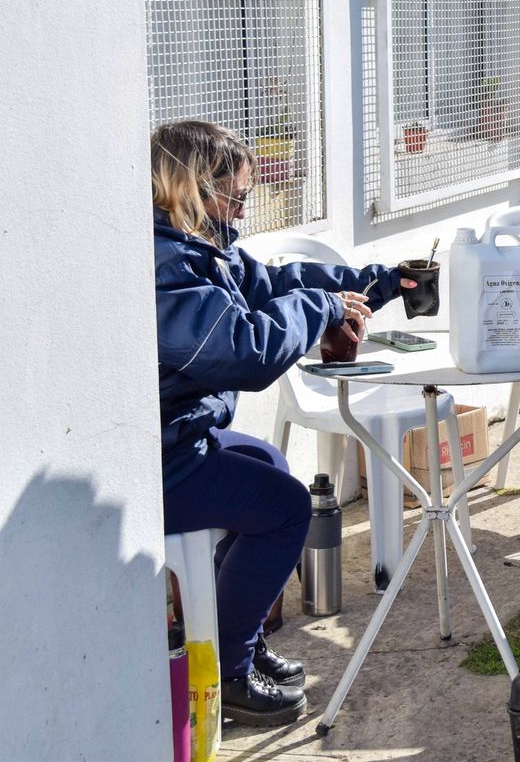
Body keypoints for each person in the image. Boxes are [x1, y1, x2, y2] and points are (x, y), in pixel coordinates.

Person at [152, 120, 412, 726]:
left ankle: (233, 638)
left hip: (180, 434)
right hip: (157, 461)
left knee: (267, 466)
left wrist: (376, 283)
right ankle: (229, 676)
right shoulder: (165, 268)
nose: (242, 208)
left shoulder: (199, 248)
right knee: (286, 506)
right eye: (237, 195)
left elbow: (277, 284)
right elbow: (243, 351)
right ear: (194, 187)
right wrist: (321, 309)